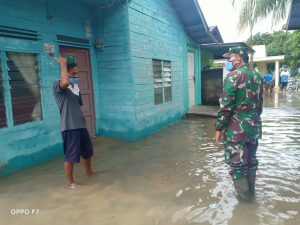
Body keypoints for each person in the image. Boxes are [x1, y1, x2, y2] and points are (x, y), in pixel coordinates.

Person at [215, 46, 263, 201]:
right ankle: (252, 196)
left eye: (230, 58)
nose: (227, 61)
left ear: (238, 58)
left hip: (237, 130)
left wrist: (219, 127)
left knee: (237, 166)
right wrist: (252, 119)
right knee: (251, 162)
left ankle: (245, 204)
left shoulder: (233, 76)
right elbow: (260, 104)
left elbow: (226, 106)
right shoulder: (257, 75)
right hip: (254, 127)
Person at [53, 56, 94, 189]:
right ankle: (70, 182)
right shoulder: (58, 85)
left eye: (77, 73)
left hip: (81, 125)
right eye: (73, 74)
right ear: (66, 73)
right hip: (69, 127)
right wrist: (63, 64)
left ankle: (89, 172)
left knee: (87, 151)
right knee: (71, 156)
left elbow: (77, 105)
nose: (76, 76)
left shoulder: (76, 88)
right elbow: (64, 82)